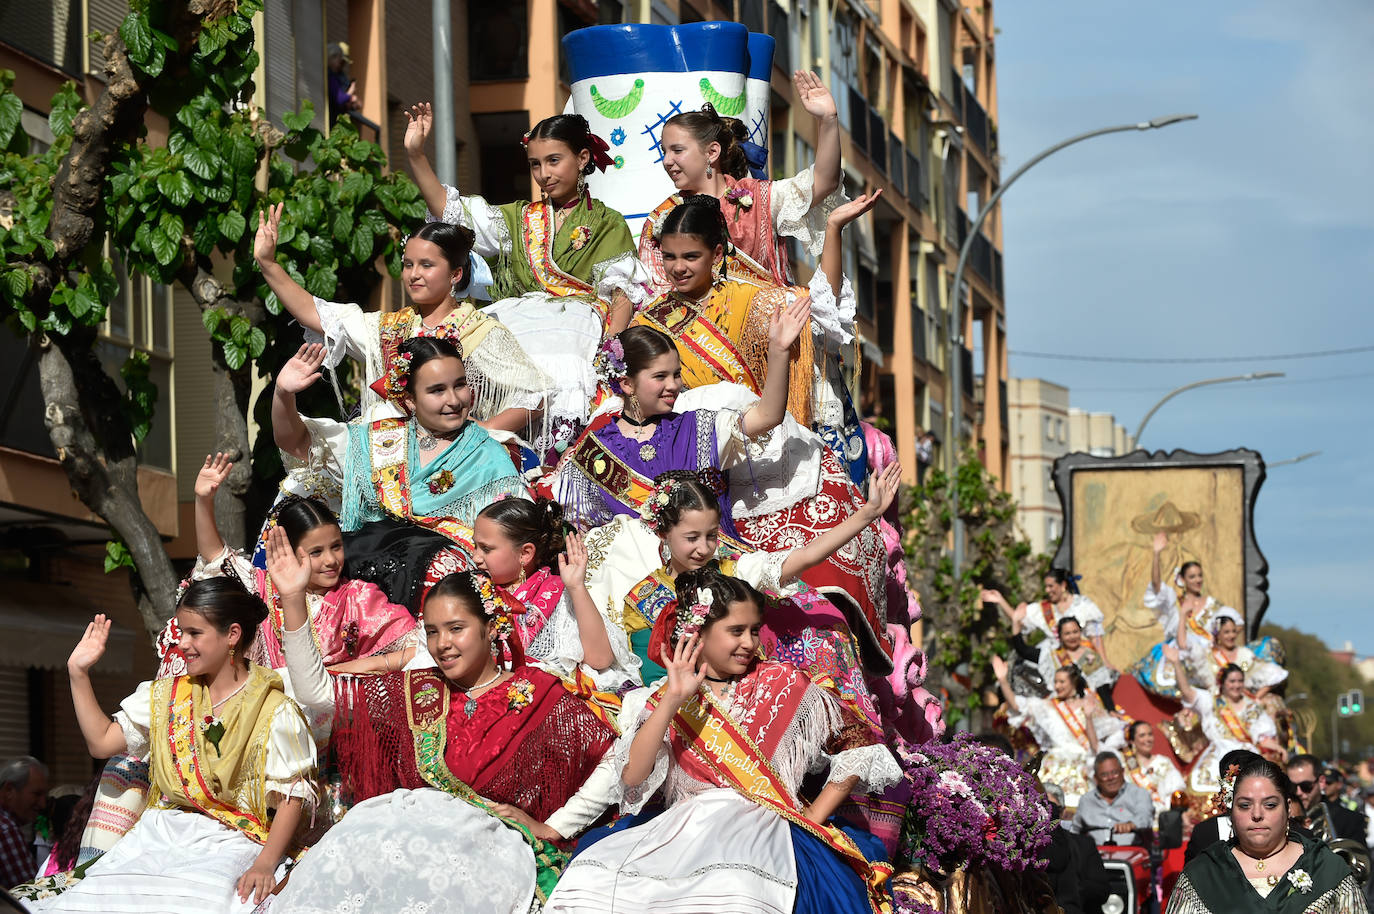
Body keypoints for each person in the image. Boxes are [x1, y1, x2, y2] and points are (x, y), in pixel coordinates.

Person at [544, 567, 901, 913]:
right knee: (591, 880)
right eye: (735, 631)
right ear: (697, 634)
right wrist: (672, 699)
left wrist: (814, 815)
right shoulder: (664, 698)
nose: (749, 642)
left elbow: (859, 743)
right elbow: (633, 777)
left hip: (765, 826)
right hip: (685, 829)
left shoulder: (784, 680)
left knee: (737, 890)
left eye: (754, 630)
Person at [549, 324, 895, 670]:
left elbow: (768, 416)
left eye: (677, 374)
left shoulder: (697, 428)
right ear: (626, 383)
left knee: (822, 640)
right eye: (661, 377)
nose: (675, 385)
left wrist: (778, 352)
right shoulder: (592, 454)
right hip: (639, 592)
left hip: (723, 571)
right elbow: (587, 534)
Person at [270, 569, 617, 912]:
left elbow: (614, 761)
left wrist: (553, 826)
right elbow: (316, 692)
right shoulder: (417, 688)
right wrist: (293, 599)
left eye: (456, 629)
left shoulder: (537, 693)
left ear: (491, 627)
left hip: (478, 853)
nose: (442, 644)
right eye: (433, 632)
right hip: (396, 838)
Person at [35, 582, 316, 912]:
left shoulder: (275, 709)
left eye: (194, 633)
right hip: (159, 834)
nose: (182, 643)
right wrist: (78, 672)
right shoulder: (165, 696)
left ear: (233, 634)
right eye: (181, 632)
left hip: (231, 840)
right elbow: (101, 743)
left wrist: (265, 864)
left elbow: (290, 797)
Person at [408, 105, 651, 442]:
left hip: (576, 328)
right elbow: (454, 214)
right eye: (535, 164)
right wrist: (417, 155)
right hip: (517, 321)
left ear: (582, 158)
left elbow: (621, 295)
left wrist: (610, 354)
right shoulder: (518, 218)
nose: (543, 173)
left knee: (562, 379)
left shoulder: (608, 222)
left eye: (554, 160)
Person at [580, 467, 899, 715]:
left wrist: (867, 514)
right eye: (692, 537)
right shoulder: (642, 598)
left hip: (753, 703)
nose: (703, 549)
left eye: (711, 536)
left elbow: (803, 557)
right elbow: (652, 677)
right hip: (686, 714)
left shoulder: (735, 570)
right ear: (663, 532)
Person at [638, 191, 880, 483]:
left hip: (763, 451)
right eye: (669, 257)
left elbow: (818, 303)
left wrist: (833, 229)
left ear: (716, 254)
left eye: (691, 256)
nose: (678, 267)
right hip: (693, 457)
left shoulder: (751, 299)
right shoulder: (649, 320)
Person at [255, 205, 553, 437]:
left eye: (427, 265)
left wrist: (483, 432)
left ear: (456, 275)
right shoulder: (388, 327)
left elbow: (536, 395)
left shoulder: (481, 331)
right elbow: (318, 314)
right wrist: (268, 265)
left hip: (459, 458)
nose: (414, 274)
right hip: (393, 458)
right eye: (408, 264)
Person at [273, 340, 529, 608]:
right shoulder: (378, 440)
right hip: (362, 587)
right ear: (409, 399)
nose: (453, 400)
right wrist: (283, 394)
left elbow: (513, 540)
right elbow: (298, 443)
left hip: (441, 593)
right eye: (437, 390)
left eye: (460, 385)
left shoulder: (488, 454)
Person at [638, 72, 845, 290]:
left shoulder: (759, 198)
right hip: (695, 323)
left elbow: (823, 182)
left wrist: (828, 120)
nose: (666, 161)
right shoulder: (662, 217)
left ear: (712, 152)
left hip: (766, 321)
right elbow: (655, 294)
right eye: (664, 151)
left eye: (677, 150)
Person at [469, 496, 635, 691]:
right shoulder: (468, 588)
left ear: (525, 554)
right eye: (475, 546)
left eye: (486, 549)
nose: (475, 557)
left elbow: (600, 659)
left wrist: (576, 587)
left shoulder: (556, 593)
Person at [1167, 757, 1368, 913]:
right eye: (1244, 805)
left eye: (1270, 805)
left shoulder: (1325, 867)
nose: (1256, 814)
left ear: (1288, 808)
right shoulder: (1204, 872)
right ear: (1232, 811)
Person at [991, 654, 1124, 807]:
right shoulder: (1049, 706)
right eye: (1055, 682)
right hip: (1055, 765)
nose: (1057, 686)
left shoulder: (1090, 704)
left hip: (1084, 766)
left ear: (1073, 682)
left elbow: (1113, 731)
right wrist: (1003, 680)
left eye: (1062, 682)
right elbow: (1017, 705)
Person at [1132, 531, 1241, 698]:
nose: (1197, 580)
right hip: (1181, 652)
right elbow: (1156, 585)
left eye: (1199, 576)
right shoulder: (1173, 601)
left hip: (1208, 656)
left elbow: (1235, 625)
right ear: (1182, 580)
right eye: (1192, 577)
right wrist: (1156, 554)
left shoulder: (1212, 604)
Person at [1166, 645, 1282, 795]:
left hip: (1247, 755)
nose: (1237, 685)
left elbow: (1263, 738)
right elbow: (1187, 692)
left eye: (1240, 681)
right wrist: (1176, 663)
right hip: (1218, 755)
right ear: (1223, 683)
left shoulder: (1252, 707)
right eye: (1232, 681)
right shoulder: (1211, 702)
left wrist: (1278, 748)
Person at [986, 591, 1117, 708]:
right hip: (1061, 709)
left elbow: (1102, 687)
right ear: (1059, 637)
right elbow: (1023, 650)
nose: (1072, 637)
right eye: (1067, 634)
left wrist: (1111, 710)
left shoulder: (1089, 656)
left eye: (1075, 632)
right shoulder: (1051, 655)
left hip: (1085, 708)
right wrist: (1015, 623)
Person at [1178, 607, 1287, 698]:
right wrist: (1183, 615)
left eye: (1233, 631)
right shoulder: (1208, 655)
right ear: (1218, 634)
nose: (1231, 636)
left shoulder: (1244, 656)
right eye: (1226, 632)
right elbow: (1184, 647)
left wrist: (1256, 698)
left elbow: (1256, 671)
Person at [1015, 568, 1111, 659]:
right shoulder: (1044, 608)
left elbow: (1095, 637)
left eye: (1050, 586)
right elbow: (1018, 619)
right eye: (1046, 587)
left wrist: (1104, 660)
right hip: (1058, 661)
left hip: (1083, 658)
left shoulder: (1083, 605)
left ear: (1063, 585)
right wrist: (1001, 601)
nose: (1047, 590)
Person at [1072, 752, 1155, 847]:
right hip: (1094, 856)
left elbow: (1145, 817)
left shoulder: (1139, 794)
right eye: (1104, 775)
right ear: (1096, 778)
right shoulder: (1086, 800)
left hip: (1131, 854)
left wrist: (1131, 825)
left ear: (1123, 772)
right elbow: (1074, 831)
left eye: (1115, 773)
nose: (1111, 778)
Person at [1289, 755, 1369, 849]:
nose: (1299, 792)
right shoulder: (1282, 818)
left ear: (1321, 782)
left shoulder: (1350, 820)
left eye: (1306, 786)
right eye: (1292, 786)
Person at [1122, 720, 1187, 819]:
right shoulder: (1127, 767)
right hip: (1138, 820)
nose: (1147, 739)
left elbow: (1177, 790)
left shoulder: (1163, 762)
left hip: (1166, 819)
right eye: (1142, 735)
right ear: (1132, 741)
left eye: (1150, 734)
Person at [0, 758, 47, 889]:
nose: (43, 804)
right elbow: (31, 892)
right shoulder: (6, 828)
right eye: (37, 794)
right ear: (9, 790)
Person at [326, 42, 361, 125]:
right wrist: (351, 94)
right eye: (340, 60)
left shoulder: (334, 76)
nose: (341, 64)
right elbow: (340, 99)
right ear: (331, 58)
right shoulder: (330, 75)